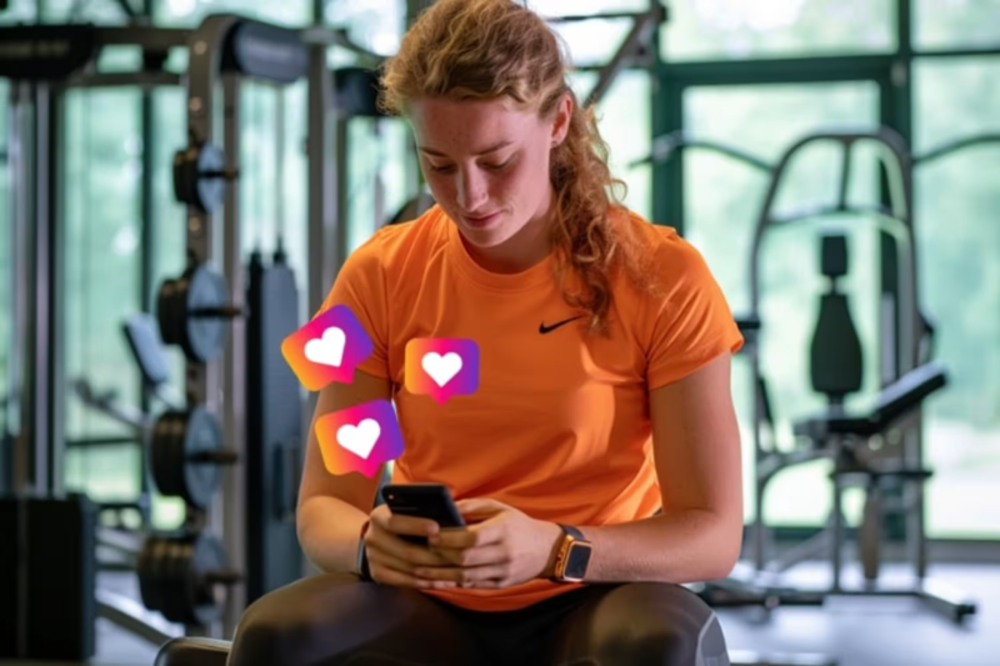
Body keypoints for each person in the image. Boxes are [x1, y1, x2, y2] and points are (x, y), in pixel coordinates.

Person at [229, 0, 744, 664]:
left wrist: (559, 548)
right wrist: (367, 543)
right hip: (429, 600)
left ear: (557, 121)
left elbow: (711, 534)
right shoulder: (379, 275)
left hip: (593, 592)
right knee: (276, 637)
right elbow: (327, 504)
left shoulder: (661, 276)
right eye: (438, 164)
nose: (468, 196)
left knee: (658, 645)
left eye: (496, 162)